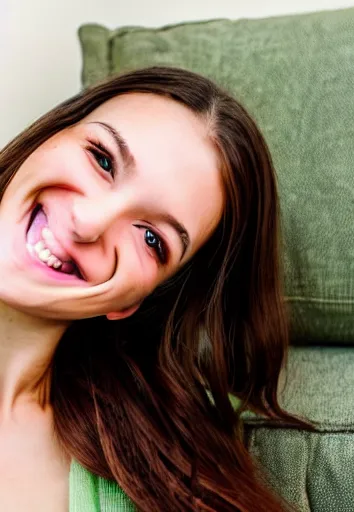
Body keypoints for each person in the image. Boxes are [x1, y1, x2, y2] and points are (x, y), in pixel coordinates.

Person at [0, 67, 311, 511]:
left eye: (151, 239)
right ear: (48, 138)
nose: (88, 223)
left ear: (137, 298)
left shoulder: (157, 471)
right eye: (102, 159)